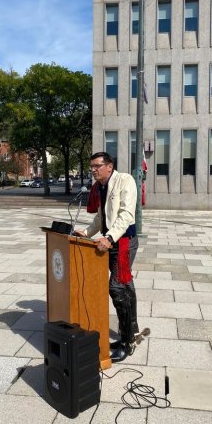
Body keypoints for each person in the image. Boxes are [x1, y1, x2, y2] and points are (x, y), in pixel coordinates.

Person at [74, 152, 139, 363]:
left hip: (123, 244)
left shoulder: (125, 180)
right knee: (126, 287)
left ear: (109, 166)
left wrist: (109, 237)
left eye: (97, 166)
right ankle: (133, 331)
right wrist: (87, 233)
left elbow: (126, 214)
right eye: (91, 166)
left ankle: (127, 343)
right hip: (111, 242)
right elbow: (101, 217)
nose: (93, 169)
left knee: (117, 288)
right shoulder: (101, 186)